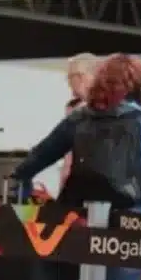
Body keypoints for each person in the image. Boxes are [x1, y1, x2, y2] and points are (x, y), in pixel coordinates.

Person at [10, 53, 141, 280]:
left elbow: (30, 164)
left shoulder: (78, 119)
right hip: (122, 232)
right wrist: (140, 216)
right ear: (137, 84)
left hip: (71, 226)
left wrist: (24, 202)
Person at [59, 53, 100, 189]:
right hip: (72, 184)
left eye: (70, 77)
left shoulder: (106, 108)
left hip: (92, 186)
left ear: (81, 77)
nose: (69, 82)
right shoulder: (73, 107)